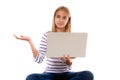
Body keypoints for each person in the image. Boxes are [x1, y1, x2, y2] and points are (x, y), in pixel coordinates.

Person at [14, 6, 94, 80]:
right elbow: (38, 60)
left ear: (68, 20)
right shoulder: (47, 35)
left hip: (67, 74)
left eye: (64, 18)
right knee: (30, 78)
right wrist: (29, 40)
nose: (60, 20)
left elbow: (69, 66)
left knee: (88, 74)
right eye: (58, 16)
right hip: (49, 75)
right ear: (54, 18)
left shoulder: (70, 37)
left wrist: (68, 61)